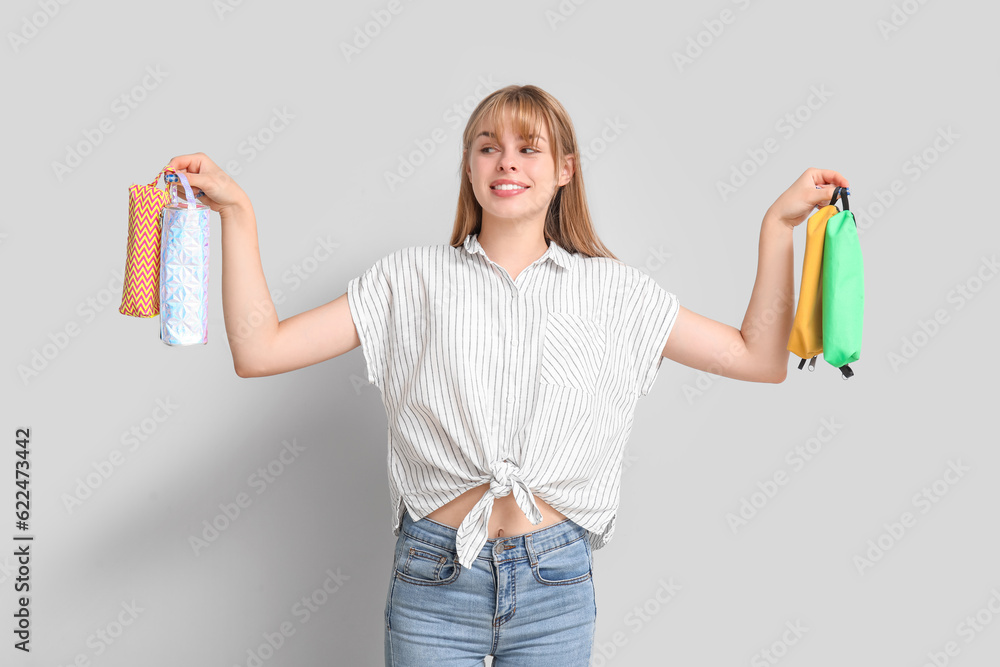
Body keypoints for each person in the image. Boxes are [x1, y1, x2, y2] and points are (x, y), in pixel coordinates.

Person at [168, 84, 848, 666]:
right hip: (434, 575)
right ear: (468, 166)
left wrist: (775, 227)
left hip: (555, 577)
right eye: (488, 145)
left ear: (565, 170)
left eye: (529, 148)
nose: (507, 161)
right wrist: (237, 212)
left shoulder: (617, 292)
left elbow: (759, 359)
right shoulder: (410, 280)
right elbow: (260, 349)